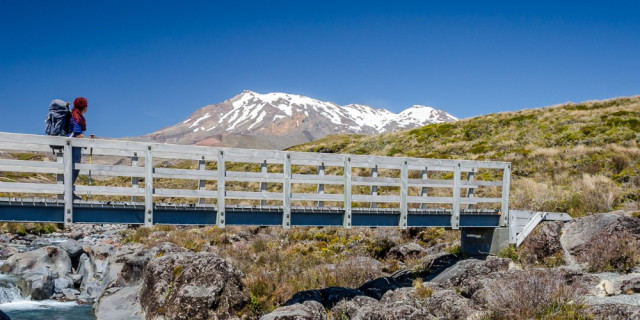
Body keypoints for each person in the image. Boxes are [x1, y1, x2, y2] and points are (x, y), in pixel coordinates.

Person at [68, 97, 88, 200]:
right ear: (84, 107)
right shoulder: (77, 116)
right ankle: (68, 192)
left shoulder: (73, 114)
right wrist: (87, 141)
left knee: (71, 168)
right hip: (74, 146)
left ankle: (68, 192)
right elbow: (76, 133)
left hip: (70, 146)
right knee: (74, 168)